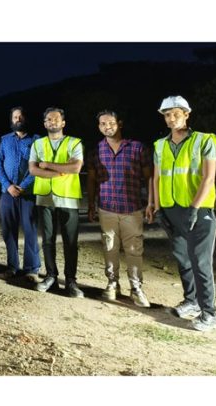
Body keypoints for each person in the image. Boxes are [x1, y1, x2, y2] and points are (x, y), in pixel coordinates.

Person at [151, 96, 216, 331]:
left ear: (186, 114)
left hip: (197, 211)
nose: (171, 119)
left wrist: (195, 208)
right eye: (167, 115)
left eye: (175, 114)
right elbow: (157, 178)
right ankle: (191, 302)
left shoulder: (204, 140)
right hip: (171, 210)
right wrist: (157, 208)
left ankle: (209, 312)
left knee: (200, 262)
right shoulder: (160, 145)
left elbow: (209, 178)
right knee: (182, 259)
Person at [87, 110, 151, 307]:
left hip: (132, 207)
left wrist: (151, 202)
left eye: (111, 122)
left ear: (119, 124)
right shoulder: (95, 151)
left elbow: (149, 177)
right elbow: (91, 179)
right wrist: (91, 204)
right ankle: (112, 284)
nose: (108, 126)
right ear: (99, 127)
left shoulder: (137, 148)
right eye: (103, 124)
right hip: (106, 207)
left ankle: (136, 287)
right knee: (109, 247)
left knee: (134, 250)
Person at [28, 107, 84, 298]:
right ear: (44, 124)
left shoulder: (74, 142)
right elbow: (33, 170)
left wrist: (47, 165)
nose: (52, 122)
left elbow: (76, 167)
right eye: (49, 120)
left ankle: (71, 281)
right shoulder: (38, 144)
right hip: (44, 197)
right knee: (48, 240)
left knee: (70, 241)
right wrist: (61, 170)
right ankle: (51, 276)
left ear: (63, 123)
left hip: (68, 197)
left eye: (56, 119)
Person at [0, 107, 41, 282]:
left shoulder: (36, 140)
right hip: (7, 193)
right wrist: (8, 186)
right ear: (11, 120)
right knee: (8, 231)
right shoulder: (5, 140)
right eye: (15, 117)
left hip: (27, 193)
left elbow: (36, 166)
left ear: (25, 119)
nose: (18, 119)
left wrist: (22, 186)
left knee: (30, 230)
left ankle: (32, 269)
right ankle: (12, 267)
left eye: (21, 116)